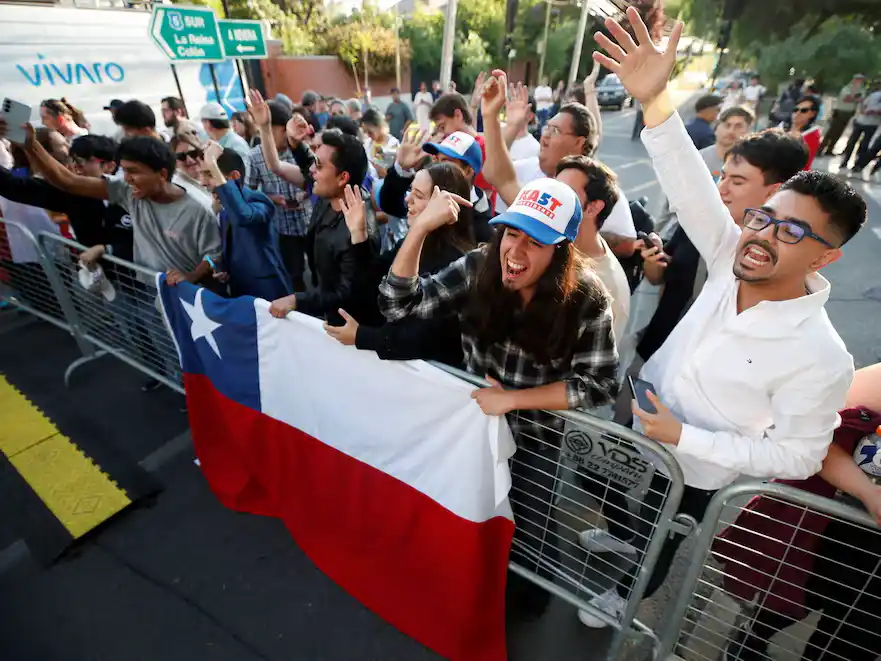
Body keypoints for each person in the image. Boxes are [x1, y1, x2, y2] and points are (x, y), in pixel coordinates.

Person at [579, 6, 866, 627]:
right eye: (764, 217)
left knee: (668, 533)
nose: (761, 235)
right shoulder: (730, 247)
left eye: (791, 230)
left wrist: (690, 441)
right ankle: (626, 546)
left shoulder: (822, 355)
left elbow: (797, 456)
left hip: (702, 468)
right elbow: (689, 184)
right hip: (648, 409)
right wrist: (654, 99)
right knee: (634, 504)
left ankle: (630, 596)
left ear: (829, 254)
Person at [377, 175, 618, 619]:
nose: (515, 252)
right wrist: (418, 230)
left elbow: (600, 383)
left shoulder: (586, 298)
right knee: (469, 514)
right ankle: (472, 591)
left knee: (529, 532)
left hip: (535, 440)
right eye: (511, 234)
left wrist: (513, 400)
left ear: (561, 250)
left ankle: (526, 606)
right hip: (471, 429)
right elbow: (398, 306)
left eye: (535, 242)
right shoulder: (477, 267)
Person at [638, 129, 809, 364]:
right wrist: (654, 261)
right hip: (656, 350)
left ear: (774, 191)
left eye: (737, 181)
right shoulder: (697, 224)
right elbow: (657, 279)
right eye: (722, 176)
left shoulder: (780, 260)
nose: (722, 189)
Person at [481, 79, 630, 343]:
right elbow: (500, 177)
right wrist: (491, 116)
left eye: (555, 130)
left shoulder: (606, 289)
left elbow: (590, 379)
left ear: (593, 208)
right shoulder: (546, 213)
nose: (551, 200)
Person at [323, 162, 476, 366]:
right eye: (410, 190)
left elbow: (424, 338)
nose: (407, 200)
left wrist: (363, 337)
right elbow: (372, 287)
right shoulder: (411, 242)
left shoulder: (457, 261)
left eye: (419, 196)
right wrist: (359, 235)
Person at [482, 72, 638, 257]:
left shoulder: (601, 189)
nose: (545, 135)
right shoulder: (529, 169)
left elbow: (629, 244)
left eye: (555, 130)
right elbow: (495, 174)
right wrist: (493, 116)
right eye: (546, 127)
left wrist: (571, 235)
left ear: (579, 142)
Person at [267, 128, 375, 328]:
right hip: (327, 309)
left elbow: (346, 293)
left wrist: (297, 300)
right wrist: (295, 144)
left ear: (342, 178)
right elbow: (308, 168)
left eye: (318, 165)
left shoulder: (359, 230)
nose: (311, 170)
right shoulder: (330, 194)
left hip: (349, 327)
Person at [198, 144, 290, 301]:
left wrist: (213, 163)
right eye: (201, 174)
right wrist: (225, 270)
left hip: (268, 294)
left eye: (209, 174)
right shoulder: (222, 205)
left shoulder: (258, 200)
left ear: (234, 176)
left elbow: (243, 216)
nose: (202, 182)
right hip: (240, 291)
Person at [653, 105, 756, 238]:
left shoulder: (752, 167)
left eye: (738, 126)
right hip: (683, 235)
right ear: (717, 128)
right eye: (727, 125)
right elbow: (670, 199)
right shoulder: (695, 159)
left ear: (749, 131)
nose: (731, 131)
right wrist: (657, 230)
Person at [377, 129, 494, 243]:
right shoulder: (429, 193)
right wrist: (402, 169)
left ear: (468, 172)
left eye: (445, 161)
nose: (437, 166)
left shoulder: (481, 222)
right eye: (436, 159)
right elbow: (390, 205)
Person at [247, 94, 313, 292]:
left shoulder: (300, 150)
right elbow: (248, 193)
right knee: (294, 275)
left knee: (320, 271)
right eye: (282, 130)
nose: (286, 135)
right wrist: (271, 199)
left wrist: (308, 193)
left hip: (310, 221)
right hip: (283, 227)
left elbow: (316, 181)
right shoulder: (255, 156)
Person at [818, 74, 866, 157]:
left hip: (850, 112)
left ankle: (830, 149)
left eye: (861, 80)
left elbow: (861, 99)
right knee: (831, 131)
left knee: (839, 132)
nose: (859, 82)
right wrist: (854, 97)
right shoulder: (847, 88)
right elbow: (846, 99)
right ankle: (820, 150)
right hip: (840, 112)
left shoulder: (861, 89)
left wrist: (853, 98)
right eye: (857, 79)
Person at [839, 83, 881, 173]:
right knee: (851, 142)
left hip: (872, 124)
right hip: (861, 121)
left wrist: (875, 111)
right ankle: (845, 161)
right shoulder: (874, 95)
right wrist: (863, 109)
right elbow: (863, 103)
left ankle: (857, 164)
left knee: (864, 145)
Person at [780, 95, 822, 169]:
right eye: (795, 109)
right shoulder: (782, 126)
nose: (798, 113)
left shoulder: (812, 135)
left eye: (804, 110)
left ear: (812, 114)